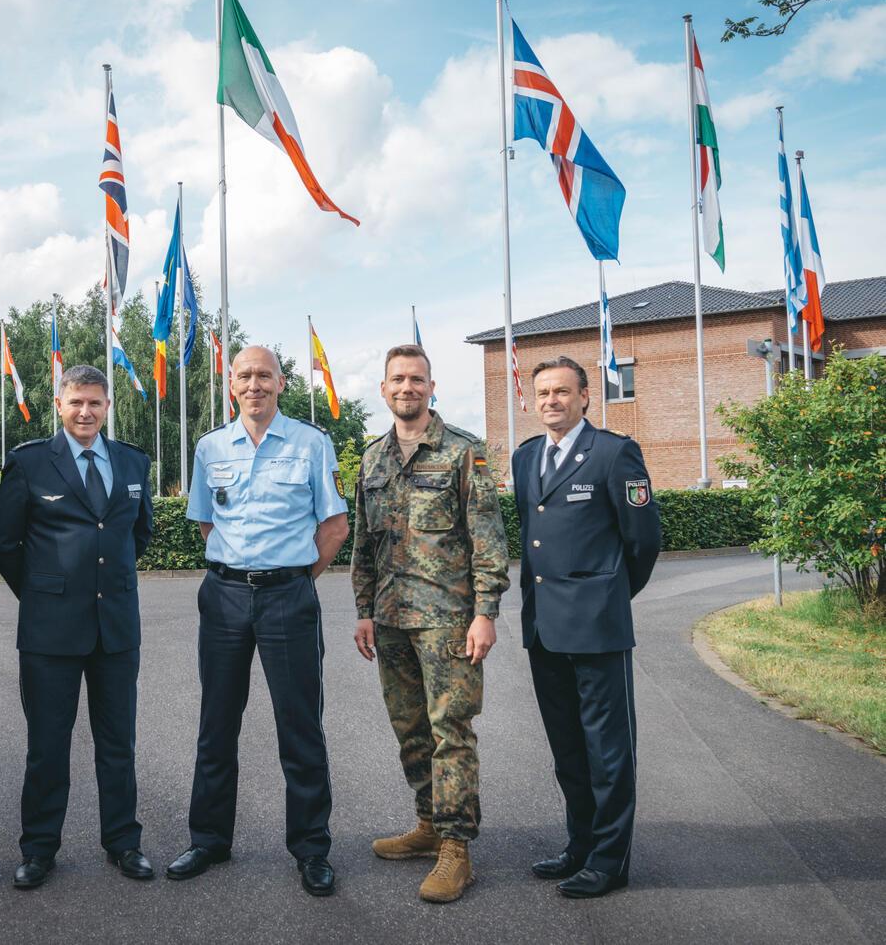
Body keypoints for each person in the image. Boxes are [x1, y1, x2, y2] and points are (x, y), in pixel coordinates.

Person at [165, 345, 350, 897]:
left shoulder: (311, 443)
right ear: (230, 385)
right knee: (216, 724)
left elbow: (334, 526)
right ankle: (209, 839)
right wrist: (240, 571)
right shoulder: (209, 447)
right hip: (223, 596)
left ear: (281, 382)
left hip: (288, 598)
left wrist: (293, 578)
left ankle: (311, 848)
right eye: (244, 376)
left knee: (300, 728)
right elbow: (205, 523)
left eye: (264, 376)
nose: (254, 385)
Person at [0, 365, 155, 890]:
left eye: (96, 404)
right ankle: (38, 850)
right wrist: (43, 591)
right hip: (50, 634)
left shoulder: (132, 461)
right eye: (76, 402)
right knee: (47, 745)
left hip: (116, 630)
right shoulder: (32, 463)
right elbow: (2, 542)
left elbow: (138, 535)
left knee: (118, 744)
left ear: (107, 408)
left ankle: (123, 843)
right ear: (59, 405)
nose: (86, 412)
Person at [351, 344, 509, 903]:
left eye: (416, 379)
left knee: (452, 732)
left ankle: (456, 849)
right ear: (384, 389)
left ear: (431, 386)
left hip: (448, 622)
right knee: (410, 732)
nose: (407, 388)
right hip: (391, 621)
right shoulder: (372, 460)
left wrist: (485, 613)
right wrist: (364, 610)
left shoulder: (464, 452)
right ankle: (427, 824)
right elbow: (363, 546)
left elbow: (489, 540)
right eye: (398, 380)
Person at [512, 355, 661, 899]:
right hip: (544, 629)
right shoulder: (526, 457)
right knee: (568, 748)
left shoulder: (614, 453)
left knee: (608, 750)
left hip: (597, 627)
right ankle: (579, 845)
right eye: (543, 393)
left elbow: (643, 541)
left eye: (562, 392)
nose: (551, 401)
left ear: (584, 398)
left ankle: (609, 859)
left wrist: (609, 596)